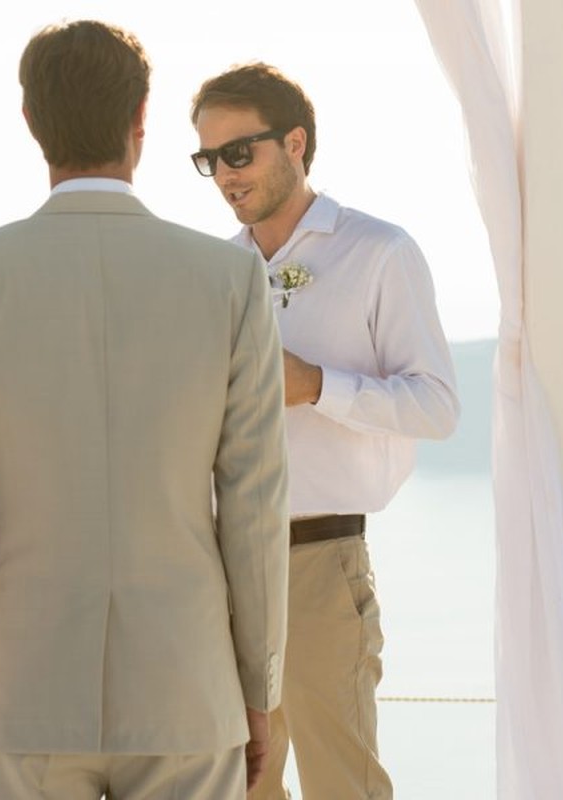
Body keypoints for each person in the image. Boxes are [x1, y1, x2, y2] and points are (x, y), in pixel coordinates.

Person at [0, 20, 290, 799]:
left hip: (22, 693)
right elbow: (255, 501)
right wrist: (258, 689)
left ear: (31, 121)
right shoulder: (229, 279)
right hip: (188, 691)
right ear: (142, 116)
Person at [190, 62, 460, 799]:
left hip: (321, 559)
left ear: (296, 142)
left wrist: (313, 385)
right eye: (208, 160)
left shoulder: (380, 251)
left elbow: (436, 405)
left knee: (344, 785)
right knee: (239, 785)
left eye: (237, 153)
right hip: (219, 568)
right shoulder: (214, 271)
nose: (223, 174)